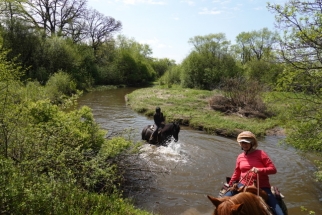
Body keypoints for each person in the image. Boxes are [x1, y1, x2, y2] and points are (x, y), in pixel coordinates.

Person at [224, 131, 284, 215]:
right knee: (223, 202)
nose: (244, 145)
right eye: (242, 143)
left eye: (247, 143)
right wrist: (230, 185)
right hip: (242, 184)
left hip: (262, 186)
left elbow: (273, 170)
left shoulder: (261, 154)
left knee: (279, 213)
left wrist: (259, 170)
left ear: (252, 143)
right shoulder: (240, 156)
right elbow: (237, 172)